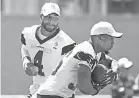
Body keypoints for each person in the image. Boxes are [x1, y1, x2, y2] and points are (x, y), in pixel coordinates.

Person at [31, 21, 123, 98]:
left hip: (56, 94)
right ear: (99, 38)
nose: (113, 42)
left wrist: (115, 70)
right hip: (52, 95)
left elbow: (112, 62)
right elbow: (84, 87)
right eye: (110, 38)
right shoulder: (87, 52)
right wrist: (97, 88)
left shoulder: (94, 51)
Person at [20, 2, 76, 98]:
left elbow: (72, 71)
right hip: (36, 89)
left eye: (55, 18)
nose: (51, 22)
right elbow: (25, 47)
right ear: (41, 17)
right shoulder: (28, 34)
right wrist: (26, 62)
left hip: (58, 93)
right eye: (48, 17)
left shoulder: (66, 43)